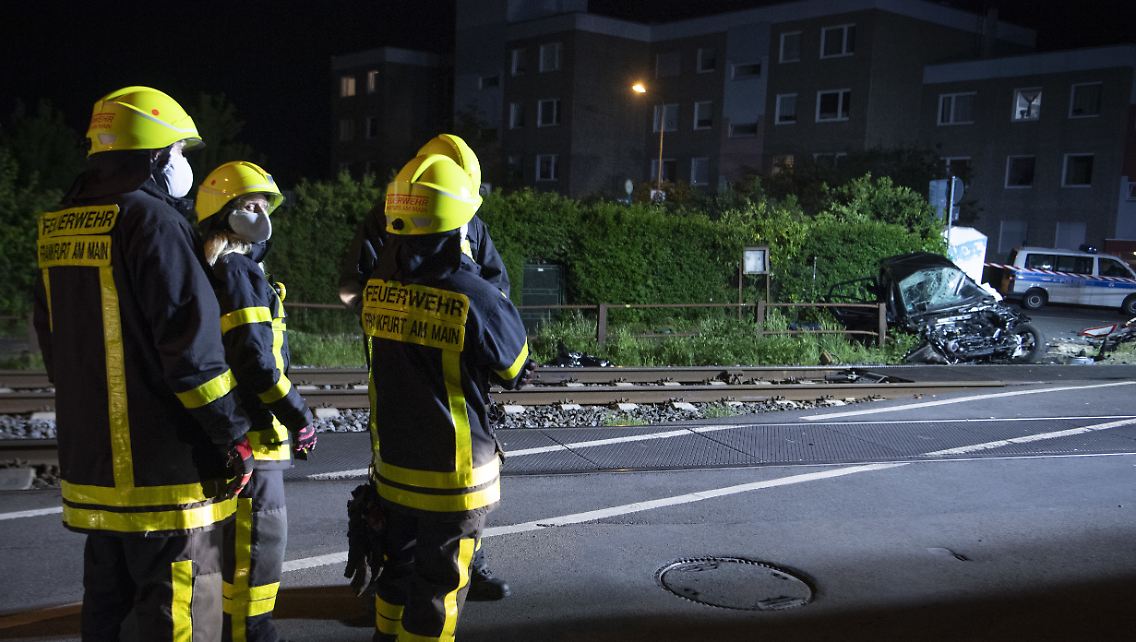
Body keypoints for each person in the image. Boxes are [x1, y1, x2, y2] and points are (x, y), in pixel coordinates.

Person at [32, 86, 254, 641]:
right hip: (166, 475)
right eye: (179, 152)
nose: (182, 165)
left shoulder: (59, 223)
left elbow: (55, 344)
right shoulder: (154, 222)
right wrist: (232, 436)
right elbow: (192, 353)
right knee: (179, 612)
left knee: (106, 609)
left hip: (95, 470)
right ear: (154, 156)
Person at [362, 152, 534, 641]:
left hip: (393, 469)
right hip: (453, 476)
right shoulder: (473, 294)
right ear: (457, 225)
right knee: (439, 591)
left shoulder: (377, 288)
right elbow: (514, 368)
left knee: (395, 575)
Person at [339, 133, 512, 601]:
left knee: (453, 497)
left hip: (458, 364)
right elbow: (353, 287)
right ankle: (408, 577)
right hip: (403, 368)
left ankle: (467, 568)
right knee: (417, 486)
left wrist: (485, 334)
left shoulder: (471, 222)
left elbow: (495, 287)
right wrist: (401, 322)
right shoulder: (384, 217)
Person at [194, 160, 318, 642]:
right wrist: (300, 416)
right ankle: (252, 634)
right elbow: (256, 361)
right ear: (230, 213)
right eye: (253, 206)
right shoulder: (240, 270)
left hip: (225, 434)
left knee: (223, 551)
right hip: (256, 437)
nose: (263, 216)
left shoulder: (209, 265)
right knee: (257, 549)